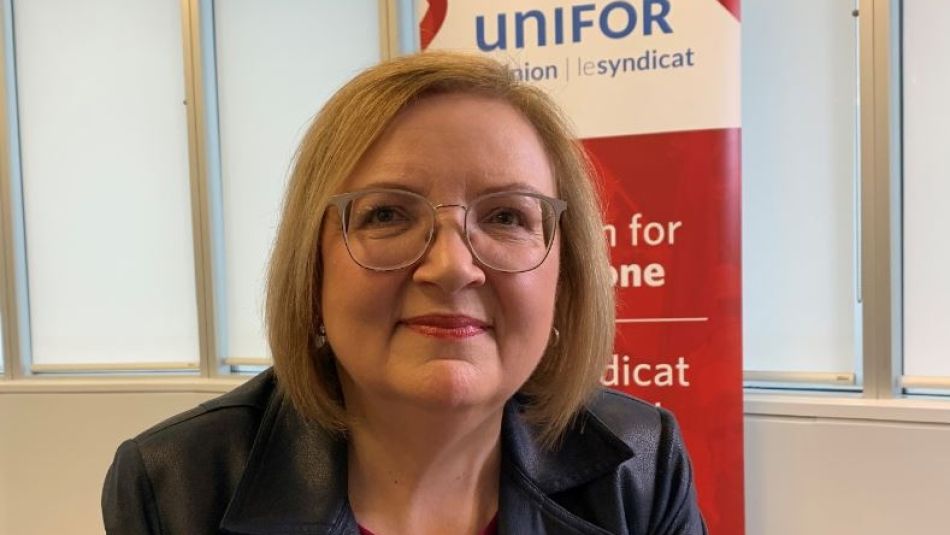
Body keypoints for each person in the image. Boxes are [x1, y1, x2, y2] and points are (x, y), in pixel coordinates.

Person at [102, 52, 706, 535]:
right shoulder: (175, 487)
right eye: (387, 214)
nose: (451, 268)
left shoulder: (643, 467)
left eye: (506, 218)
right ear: (310, 271)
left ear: (563, 275)